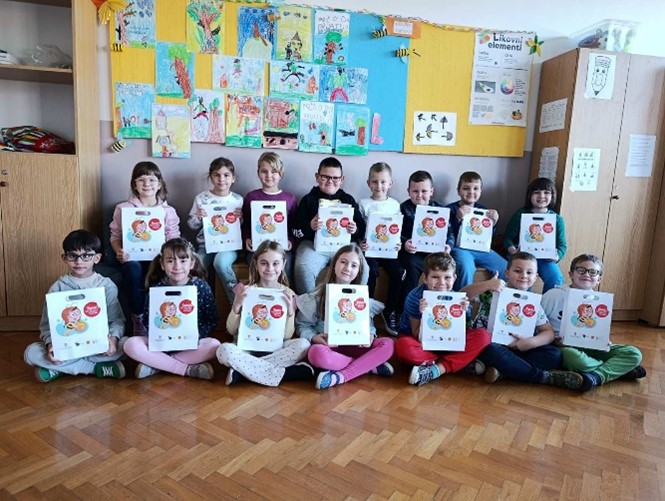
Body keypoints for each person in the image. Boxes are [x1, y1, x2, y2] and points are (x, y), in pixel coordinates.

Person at [463, 251, 583, 389]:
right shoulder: (492, 292)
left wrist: (531, 342)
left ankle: (504, 372)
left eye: (529, 272)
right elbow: (462, 294)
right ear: (507, 273)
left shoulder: (532, 302)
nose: (523, 276)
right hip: (493, 346)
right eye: (518, 271)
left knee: (554, 354)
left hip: (520, 347)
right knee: (491, 351)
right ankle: (543, 377)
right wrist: (487, 284)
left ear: (535, 277)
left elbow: (548, 332)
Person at [24, 230, 126, 382]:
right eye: (73, 256)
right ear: (64, 258)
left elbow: (116, 320)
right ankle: (96, 369)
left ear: (97, 258)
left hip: (97, 346)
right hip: (68, 347)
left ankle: (60, 369)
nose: (79, 261)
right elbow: (46, 326)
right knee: (31, 353)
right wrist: (51, 345)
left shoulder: (107, 286)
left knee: (126, 345)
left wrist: (114, 339)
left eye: (86, 256)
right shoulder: (57, 288)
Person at [541, 253, 646, 391]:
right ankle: (616, 370)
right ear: (571, 274)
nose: (586, 274)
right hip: (564, 347)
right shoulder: (553, 295)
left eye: (593, 272)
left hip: (592, 346)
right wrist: (552, 339)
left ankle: (596, 376)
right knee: (577, 361)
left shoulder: (600, 301)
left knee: (634, 353)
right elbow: (537, 324)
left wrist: (603, 340)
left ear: (599, 279)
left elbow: (597, 328)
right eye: (581, 270)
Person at [296, 244, 394, 389]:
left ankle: (340, 376)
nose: (347, 268)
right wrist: (314, 337)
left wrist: (370, 335)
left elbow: (369, 325)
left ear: (359, 270)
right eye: (343, 262)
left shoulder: (360, 297)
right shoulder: (317, 296)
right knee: (315, 353)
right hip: (330, 348)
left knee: (388, 344)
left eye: (354, 265)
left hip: (356, 345)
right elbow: (302, 325)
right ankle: (367, 365)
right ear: (334, 264)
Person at [216, 241, 314, 386]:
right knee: (223, 350)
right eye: (264, 263)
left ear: (283, 264)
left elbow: (287, 336)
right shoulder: (244, 290)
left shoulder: (288, 293)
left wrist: (290, 313)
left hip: (275, 348)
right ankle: (287, 373)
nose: (270, 269)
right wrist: (237, 305)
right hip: (247, 348)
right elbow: (231, 330)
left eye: (275, 263)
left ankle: (243, 372)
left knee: (304, 345)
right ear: (256, 264)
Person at [123, 238, 220, 379]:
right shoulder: (156, 289)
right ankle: (186, 369)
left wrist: (196, 334)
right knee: (130, 344)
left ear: (192, 263)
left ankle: (157, 365)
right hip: (161, 345)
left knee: (214, 345)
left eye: (183, 261)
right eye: (170, 261)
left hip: (190, 345)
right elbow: (147, 320)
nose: (177, 266)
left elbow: (212, 319)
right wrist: (160, 334)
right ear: (162, 264)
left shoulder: (201, 287)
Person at [395, 253, 491, 386]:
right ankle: (457, 363)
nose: (441, 283)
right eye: (435, 277)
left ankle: (436, 369)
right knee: (403, 347)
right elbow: (416, 333)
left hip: (449, 344)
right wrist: (424, 314)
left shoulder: (457, 299)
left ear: (454, 278)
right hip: (422, 343)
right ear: (425, 278)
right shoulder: (415, 297)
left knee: (484, 336)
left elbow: (461, 334)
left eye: (447, 277)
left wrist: (464, 312)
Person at [109, 161, 180, 336]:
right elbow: (115, 236)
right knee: (132, 270)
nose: (147, 184)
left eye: (151, 180)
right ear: (134, 185)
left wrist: (168, 256)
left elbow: (174, 238)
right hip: (132, 257)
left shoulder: (168, 211)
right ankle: (138, 318)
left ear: (159, 184)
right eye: (141, 180)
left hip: (158, 257)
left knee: (161, 272)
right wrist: (119, 252)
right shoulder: (123, 208)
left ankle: (159, 321)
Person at [292, 157, 367, 294]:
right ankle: (308, 304)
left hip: (345, 245)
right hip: (313, 245)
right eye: (325, 177)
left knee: (364, 269)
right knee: (303, 268)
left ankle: (352, 302)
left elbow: (362, 228)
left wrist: (355, 229)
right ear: (317, 177)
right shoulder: (308, 200)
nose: (330, 181)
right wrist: (310, 227)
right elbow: (295, 230)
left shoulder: (348, 200)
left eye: (335, 178)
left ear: (342, 179)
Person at [187, 157, 243, 304]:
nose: (221, 179)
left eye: (226, 175)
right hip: (205, 246)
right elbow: (191, 225)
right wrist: (198, 217)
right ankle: (198, 303)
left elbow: (243, 227)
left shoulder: (238, 200)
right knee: (196, 266)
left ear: (233, 178)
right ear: (211, 177)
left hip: (229, 246)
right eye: (216, 175)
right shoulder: (201, 198)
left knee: (221, 263)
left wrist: (241, 218)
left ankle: (236, 300)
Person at [358, 162, 404, 336]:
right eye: (375, 182)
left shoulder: (395, 205)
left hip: (389, 251)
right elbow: (360, 229)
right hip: (370, 250)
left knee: (399, 272)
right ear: (368, 183)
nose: (379, 186)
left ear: (390, 183)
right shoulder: (363, 204)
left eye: (383, 182)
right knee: (370, 270)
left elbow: (397, 230)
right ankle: (367, 311)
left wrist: (398, 243)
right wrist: (361, 242)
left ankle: (389, 310)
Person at [503, 177, 567, 293]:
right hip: (521, 257)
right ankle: (524, 302)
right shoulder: (520, 214)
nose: (541, 196)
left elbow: (562, 245)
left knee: (556, 278)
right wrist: (513, 251)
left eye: (546, 193)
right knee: (523, 280)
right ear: (529, 195)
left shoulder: (557, 219)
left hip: (545, 258)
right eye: (537, 192)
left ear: (552, 196)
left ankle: (546, 303)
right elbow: (507, 238)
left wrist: (556, 256)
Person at [241, 152, 297, 283]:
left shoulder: (289, 198)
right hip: (258, 248)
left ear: (281, 174)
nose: (269, 175)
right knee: (254, 264)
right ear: (258, 173)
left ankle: (284, 292)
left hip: (281, 248)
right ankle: (257, 293)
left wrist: (291, 241)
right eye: (264, 171)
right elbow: (246, 224)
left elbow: (294, 227)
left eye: (274, 171)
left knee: (287, 263)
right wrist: (247, 238)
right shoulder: (251, 197)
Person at [445, 171, 507, 289]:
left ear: (481, 191)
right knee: (466, 268)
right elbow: (447, 234)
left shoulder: (483, 210)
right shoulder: (450, 209)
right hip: (460, 249)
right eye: (466, 188)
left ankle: (511, 297)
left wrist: (493, 224)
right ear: (458, 190)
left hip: (481, 248)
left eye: (475, 188)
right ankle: (463, 298)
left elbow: (488, 238)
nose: (471, 192)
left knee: (505, 267)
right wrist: (457, 219)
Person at [399, 170, 449, 301]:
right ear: (408, 191)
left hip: (435, 252)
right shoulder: (403, 209)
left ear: (431, 191)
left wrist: (448, 246)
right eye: (415, 191)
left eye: (424, 191)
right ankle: (407, 304)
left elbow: (450, 233)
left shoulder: (440, 210)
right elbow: (397, 233)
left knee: (448, 265)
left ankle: (443, 302)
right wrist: (405, 243)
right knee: (411, 266)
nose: (419, 195)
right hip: (413, 253)